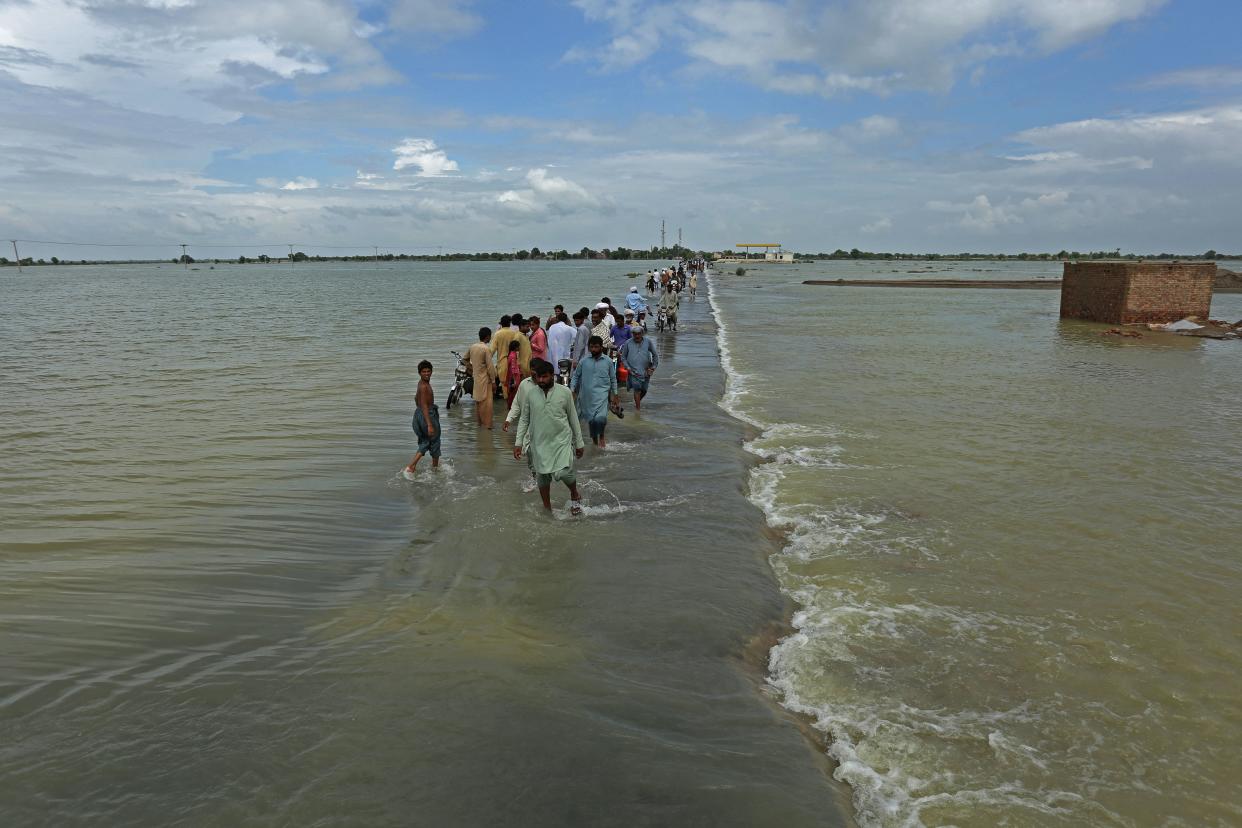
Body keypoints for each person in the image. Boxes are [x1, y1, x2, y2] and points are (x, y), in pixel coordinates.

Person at [514, 359, 585, 515]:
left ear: (552, 375)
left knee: (564, 473)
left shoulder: (565, 393)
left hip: (561, 440)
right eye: (538, 377)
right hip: (539, 442)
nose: (541, 380)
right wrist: (518, 442)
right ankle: (547, 509)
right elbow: (524, 419)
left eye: (544, 377)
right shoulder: (531, 394)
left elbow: (573, 418)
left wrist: (579, 443)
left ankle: (574, 492)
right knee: (543, 477)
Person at [571, 335, 618, 449]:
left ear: (601, 347)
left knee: (601, 419)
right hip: (586, 397)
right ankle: (595, 442)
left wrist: (615, 394)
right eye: (591, 347)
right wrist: (572, 390)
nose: (593, 350)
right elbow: (576, 377)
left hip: (602, 396)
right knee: (592, 421)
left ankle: (601, 436)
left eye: (596, 347)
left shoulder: (607, 361)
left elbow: (613, 378)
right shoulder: (584, 361)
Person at [405, 360, 440, 474]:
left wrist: (419, 413)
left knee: (425, 441)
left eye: (428, 371)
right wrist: (429, 424)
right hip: (427, 415)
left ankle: (412, 467)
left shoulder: (420, 383)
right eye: (423, 372)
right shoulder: (424, 387)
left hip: (419, 415)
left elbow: (416, 398)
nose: (426, 373)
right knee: (434, 441)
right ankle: (433, 469)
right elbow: (425, 405)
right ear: (419, 373)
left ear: (431, 371)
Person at [619, 325, 658, 411]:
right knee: (637, 389)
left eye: (638, 334)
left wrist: (653, 367)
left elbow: (655, 355)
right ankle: (638, 409)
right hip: (633, 371)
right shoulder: (628, 343)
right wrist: (627, 367)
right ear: (632, 334)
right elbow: (623, 357)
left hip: (646, 371)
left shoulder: (648, 342)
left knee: (644, 390)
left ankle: (637, 403)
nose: (637, 336)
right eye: (635, 334)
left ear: (642, 334)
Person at [467, 327, 498, 429]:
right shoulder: (486, 349)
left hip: (476, 379)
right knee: (487, 404)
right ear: (488, 337)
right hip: (485, 381)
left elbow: (464, 360)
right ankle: (487, 425)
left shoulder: (473, 347)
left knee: (478, 402)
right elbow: (490, 367)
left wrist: (472, 368)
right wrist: (493, 381)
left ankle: (480, 424)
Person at [547, 312, 576, 380]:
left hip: (553, 356)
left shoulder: (552, 327)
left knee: (555, 376)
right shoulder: (569, 328)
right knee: (564, 376)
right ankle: (565, 387)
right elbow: (577, 337)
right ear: (566, 320)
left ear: (557, 319)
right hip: (564, 357)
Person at [504, 340, 522, 405]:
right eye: (518, 346)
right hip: (513, 377)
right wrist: (514, 380)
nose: (520, 348)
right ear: (515, 347)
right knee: (513, 393)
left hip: (511, 376)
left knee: (511, 393)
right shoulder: (513, 356)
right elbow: (513, 369)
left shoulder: (511, 354)